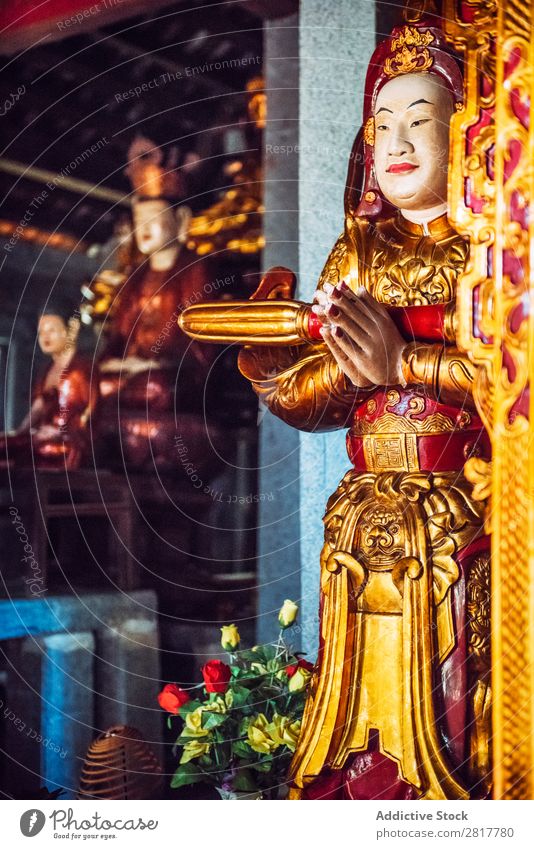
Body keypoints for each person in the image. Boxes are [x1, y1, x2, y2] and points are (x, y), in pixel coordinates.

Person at [238, 22, 491, 800]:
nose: (398, 140)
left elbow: (501, 376)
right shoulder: (357, 252)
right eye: (383, 126)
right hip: (359, 507)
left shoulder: (487, 247)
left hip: (459, 508)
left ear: (468, 138)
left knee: (452, 692)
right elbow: (324, 393)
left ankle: (457, 787)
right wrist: (279, 375)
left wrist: (402, 363)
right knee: (353, 685)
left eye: (421, 120)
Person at [1, 302, 98, 470]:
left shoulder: (81, 369)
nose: (45, 337)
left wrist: (56, 432)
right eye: (41, 332)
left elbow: (81, 415)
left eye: (51, 330)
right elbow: (38, 409)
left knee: (33, 450)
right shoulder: (47, 370)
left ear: (72, 329)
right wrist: (18, 434)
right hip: (43, 437)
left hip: (71, 444)